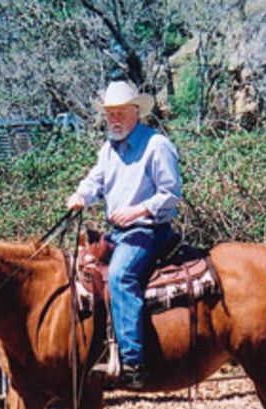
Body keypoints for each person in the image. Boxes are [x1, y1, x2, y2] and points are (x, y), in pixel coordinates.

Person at [67, 80, 181, 389]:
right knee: (81, 269)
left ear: (136, 112)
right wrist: (80, 196)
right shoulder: (109, 149)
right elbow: (95, 182)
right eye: (109, 114)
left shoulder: (156, 145)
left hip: (149, 230)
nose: (114, 119)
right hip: (118, 232)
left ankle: (133, 362)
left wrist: (138, 211)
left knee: (120, 276)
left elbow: (171, 194)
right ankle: (95, 349)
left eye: (120, 112)